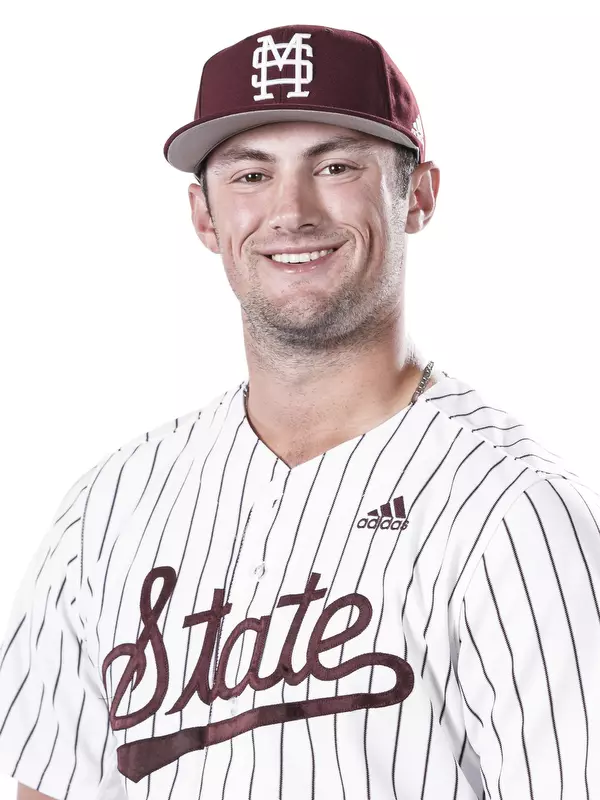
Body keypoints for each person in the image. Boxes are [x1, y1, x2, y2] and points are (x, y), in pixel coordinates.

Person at [0, 22, 599, 800]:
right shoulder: (107, 508)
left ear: (417, 196)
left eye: (336, 166)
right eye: (251, 174)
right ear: (205, 216)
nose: (291, 210)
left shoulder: (512, 511)